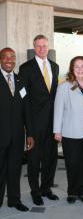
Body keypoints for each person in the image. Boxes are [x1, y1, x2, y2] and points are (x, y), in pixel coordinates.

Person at [53, 56, 83, 204]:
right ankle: (72, 192)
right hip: (71, 133)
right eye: (76, 66)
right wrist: (57, 130)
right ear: (72, 69)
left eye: (82, 66)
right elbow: (58, 109)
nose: (80, 69)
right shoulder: (64, 86)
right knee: (73, 165)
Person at [19, 35, 59, 206]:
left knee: (51, 158)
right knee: (34, 159)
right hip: (35, 123)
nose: (42, 49)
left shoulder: (55, 67)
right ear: (34, 48)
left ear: (48, 47)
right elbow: (24, 99)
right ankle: (35, 191)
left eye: (44, 46)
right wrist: (28, 127)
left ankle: (46, 188)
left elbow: (55, 95)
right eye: (39, 46)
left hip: (53, 122)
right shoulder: (25, 68)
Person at [0, 47, 34, 211]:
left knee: (15, 170)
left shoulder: (20, 81)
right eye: (5, 57)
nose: (9, 60)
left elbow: (27, 109)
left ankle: (14, 200)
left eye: (12, 57)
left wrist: (30, 134)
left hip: (17, 136)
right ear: (0, 59)